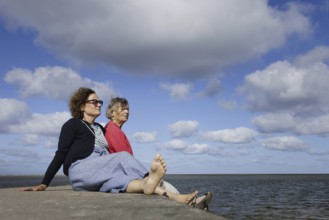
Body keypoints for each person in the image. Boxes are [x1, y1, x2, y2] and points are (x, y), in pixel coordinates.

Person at [20, 87, 200, 206]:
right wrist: (44, 183)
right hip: (81, 170)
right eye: (94, 102)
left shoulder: (99, 128)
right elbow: (61, 153)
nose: (99, 105)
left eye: (100, 102)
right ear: (82, 106)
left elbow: (107, 153)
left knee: (124, 183)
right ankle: (150, 176)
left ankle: (167, 193)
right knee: (122, 157)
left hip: (99, 173)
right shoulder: (72, 124)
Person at [104, 97, 212, 210]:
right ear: (112, 113)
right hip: (124, 176)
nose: (126, 112)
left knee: (162, 184)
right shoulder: (112, 129)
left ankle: (191, 202)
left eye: (127, 109)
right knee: (159, 185)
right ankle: (189, 203)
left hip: (126, 173)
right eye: (122, 109)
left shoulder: (115, 130)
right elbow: (125, 157)